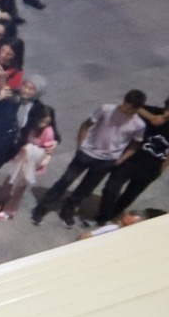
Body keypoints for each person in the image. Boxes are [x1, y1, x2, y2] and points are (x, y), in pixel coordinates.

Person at [33, 90, 146, 227]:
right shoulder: (106, 109)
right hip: (87, 152)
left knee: (86, 188)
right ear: (125, 102)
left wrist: (120, 159)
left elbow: (135, 144)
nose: (131, 112)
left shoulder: (139, 124)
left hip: (108, 159)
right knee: (65, 180)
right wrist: (81, 145)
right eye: (130, 108)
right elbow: (86, 125)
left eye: (135, 110)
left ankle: (68, 210)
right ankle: (43, 207)